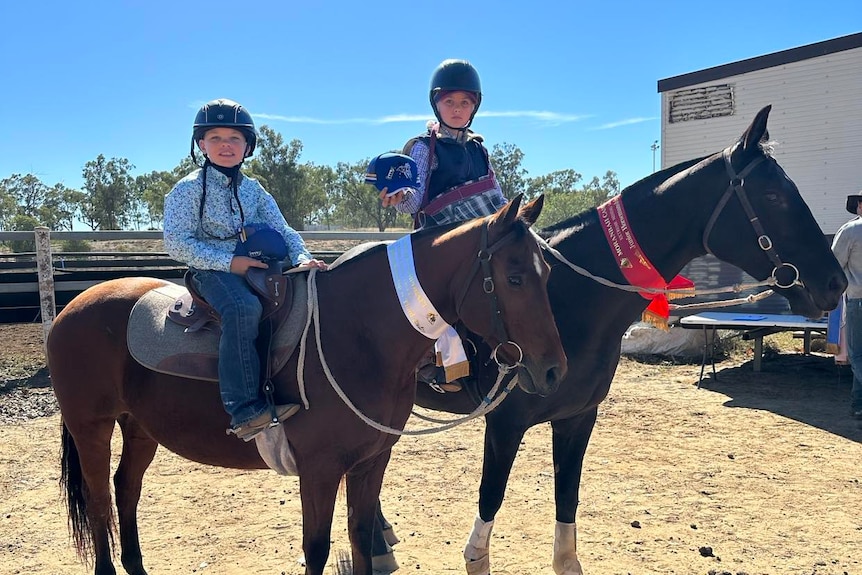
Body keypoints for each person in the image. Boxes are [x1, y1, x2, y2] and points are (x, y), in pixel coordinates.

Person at [164, 98, 327, 441]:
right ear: (201, 145)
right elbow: (177, 243)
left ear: (247, 146)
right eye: (216, 138)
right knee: (243, 308)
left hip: (257, 267)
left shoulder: (254, 190)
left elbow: (284, 230)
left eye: (235, 138)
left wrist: (301, 258)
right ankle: (244, 409)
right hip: (211, 271)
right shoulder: (187, 190)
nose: (226, 145)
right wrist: (230, 263)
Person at [375, 59, 508, 392]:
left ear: (474, 107)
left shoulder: (480, 149)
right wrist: (400, 195)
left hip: (481, 239)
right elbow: (414, 198)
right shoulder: (423, 147)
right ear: (436, 104)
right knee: (440, 293)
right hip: (440, 239)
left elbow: (496, 195)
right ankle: (434, 364)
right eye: (449, 101)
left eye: (465, 102)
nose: (457, 109)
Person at [831, 191, 862, 419]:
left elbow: (834, 263)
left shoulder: (851, 230)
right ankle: (858, 404)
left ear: (860, 205)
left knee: (857, 354)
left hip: (858, 299)